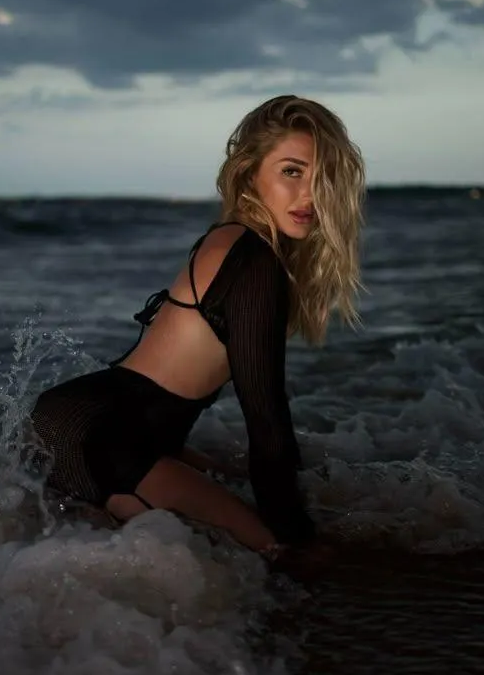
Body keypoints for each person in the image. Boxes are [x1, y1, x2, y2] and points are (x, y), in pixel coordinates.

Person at [30, 94, 365, 576]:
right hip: (110, 440)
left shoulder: (226, 237)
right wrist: (295, 531)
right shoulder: (254, 263)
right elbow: (266, 420)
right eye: (292, 172)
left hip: (81, 421)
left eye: (322, 176)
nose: (309, 195)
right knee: (284, 559)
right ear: (251, 174)